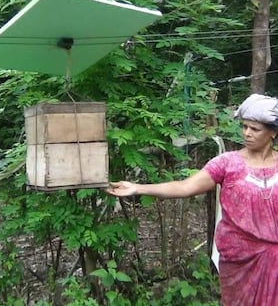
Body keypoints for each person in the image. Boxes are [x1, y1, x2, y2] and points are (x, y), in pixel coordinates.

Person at [107, 93, 278, 306]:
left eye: (255, 129)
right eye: (244, 126)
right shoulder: (227, 163)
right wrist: (138, 188)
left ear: (272, 132)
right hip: (239, 259)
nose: (247, 133)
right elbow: (186, 186)